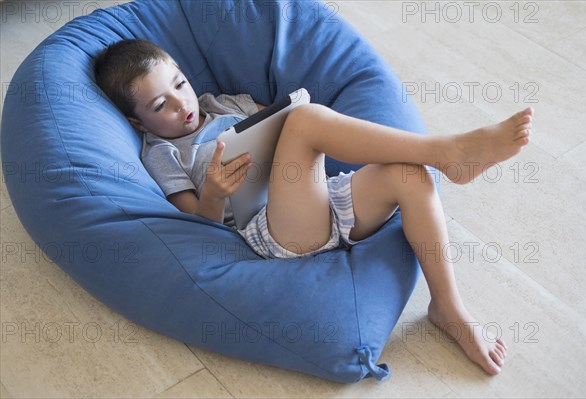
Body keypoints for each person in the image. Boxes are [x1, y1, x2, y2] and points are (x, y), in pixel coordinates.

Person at [95, 39, 534, 376]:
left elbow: (279, 125)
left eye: (180, 85)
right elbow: (196, 227)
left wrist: (288, 120)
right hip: (268, 232)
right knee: (307, 122)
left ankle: (447, 307)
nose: (181, 105)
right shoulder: (163, 154)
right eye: (160, 106)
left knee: (409, 176)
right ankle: (446, 152)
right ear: (137, 123)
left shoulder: (220, 104)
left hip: (320, 196)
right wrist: (213, 194)